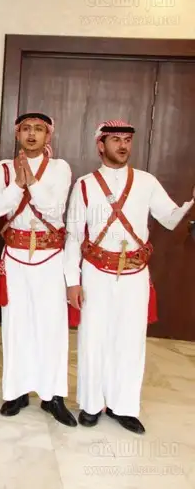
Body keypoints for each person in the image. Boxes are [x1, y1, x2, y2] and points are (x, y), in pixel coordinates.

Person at [65, 119, 195, 434]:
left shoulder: (146, 181)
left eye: (127, 140)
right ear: (100, 145)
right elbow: (73, 235)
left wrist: (191, 203)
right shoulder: (85, 184)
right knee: (93, 338)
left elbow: (169, 219)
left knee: (130, 340)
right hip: (95, 272)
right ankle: (91, 404)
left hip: (135, 273)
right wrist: (72, 281)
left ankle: (123, 406)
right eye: (116, 140)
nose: (123, 146)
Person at [0, 112, 76, 426]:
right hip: (15, 256)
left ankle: (53, 396)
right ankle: (17, 392)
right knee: (16, 324)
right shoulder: (4, 169)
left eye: (38, 129)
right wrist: (17, 185)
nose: (32, 134)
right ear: (17, 134)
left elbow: (54, 207)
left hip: (50, 258)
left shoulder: (60, 168)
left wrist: (32, 183)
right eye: (26, 129)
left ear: (48, 136)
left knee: (52, 327)